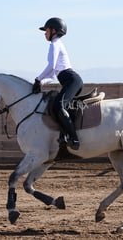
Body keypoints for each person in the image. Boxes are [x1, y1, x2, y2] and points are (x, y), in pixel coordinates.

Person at [32, 17, 83, 150]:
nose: (45, 33)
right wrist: (42, 82)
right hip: (70, 81)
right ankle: (64, 134)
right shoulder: (56, 44)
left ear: (54, 31)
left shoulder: (55, 44)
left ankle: (74, 138)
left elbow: (51, 65)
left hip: (72, 80)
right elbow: (54, 74)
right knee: (57, 106)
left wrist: (38, 79)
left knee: (58, 107)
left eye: (46, 30)